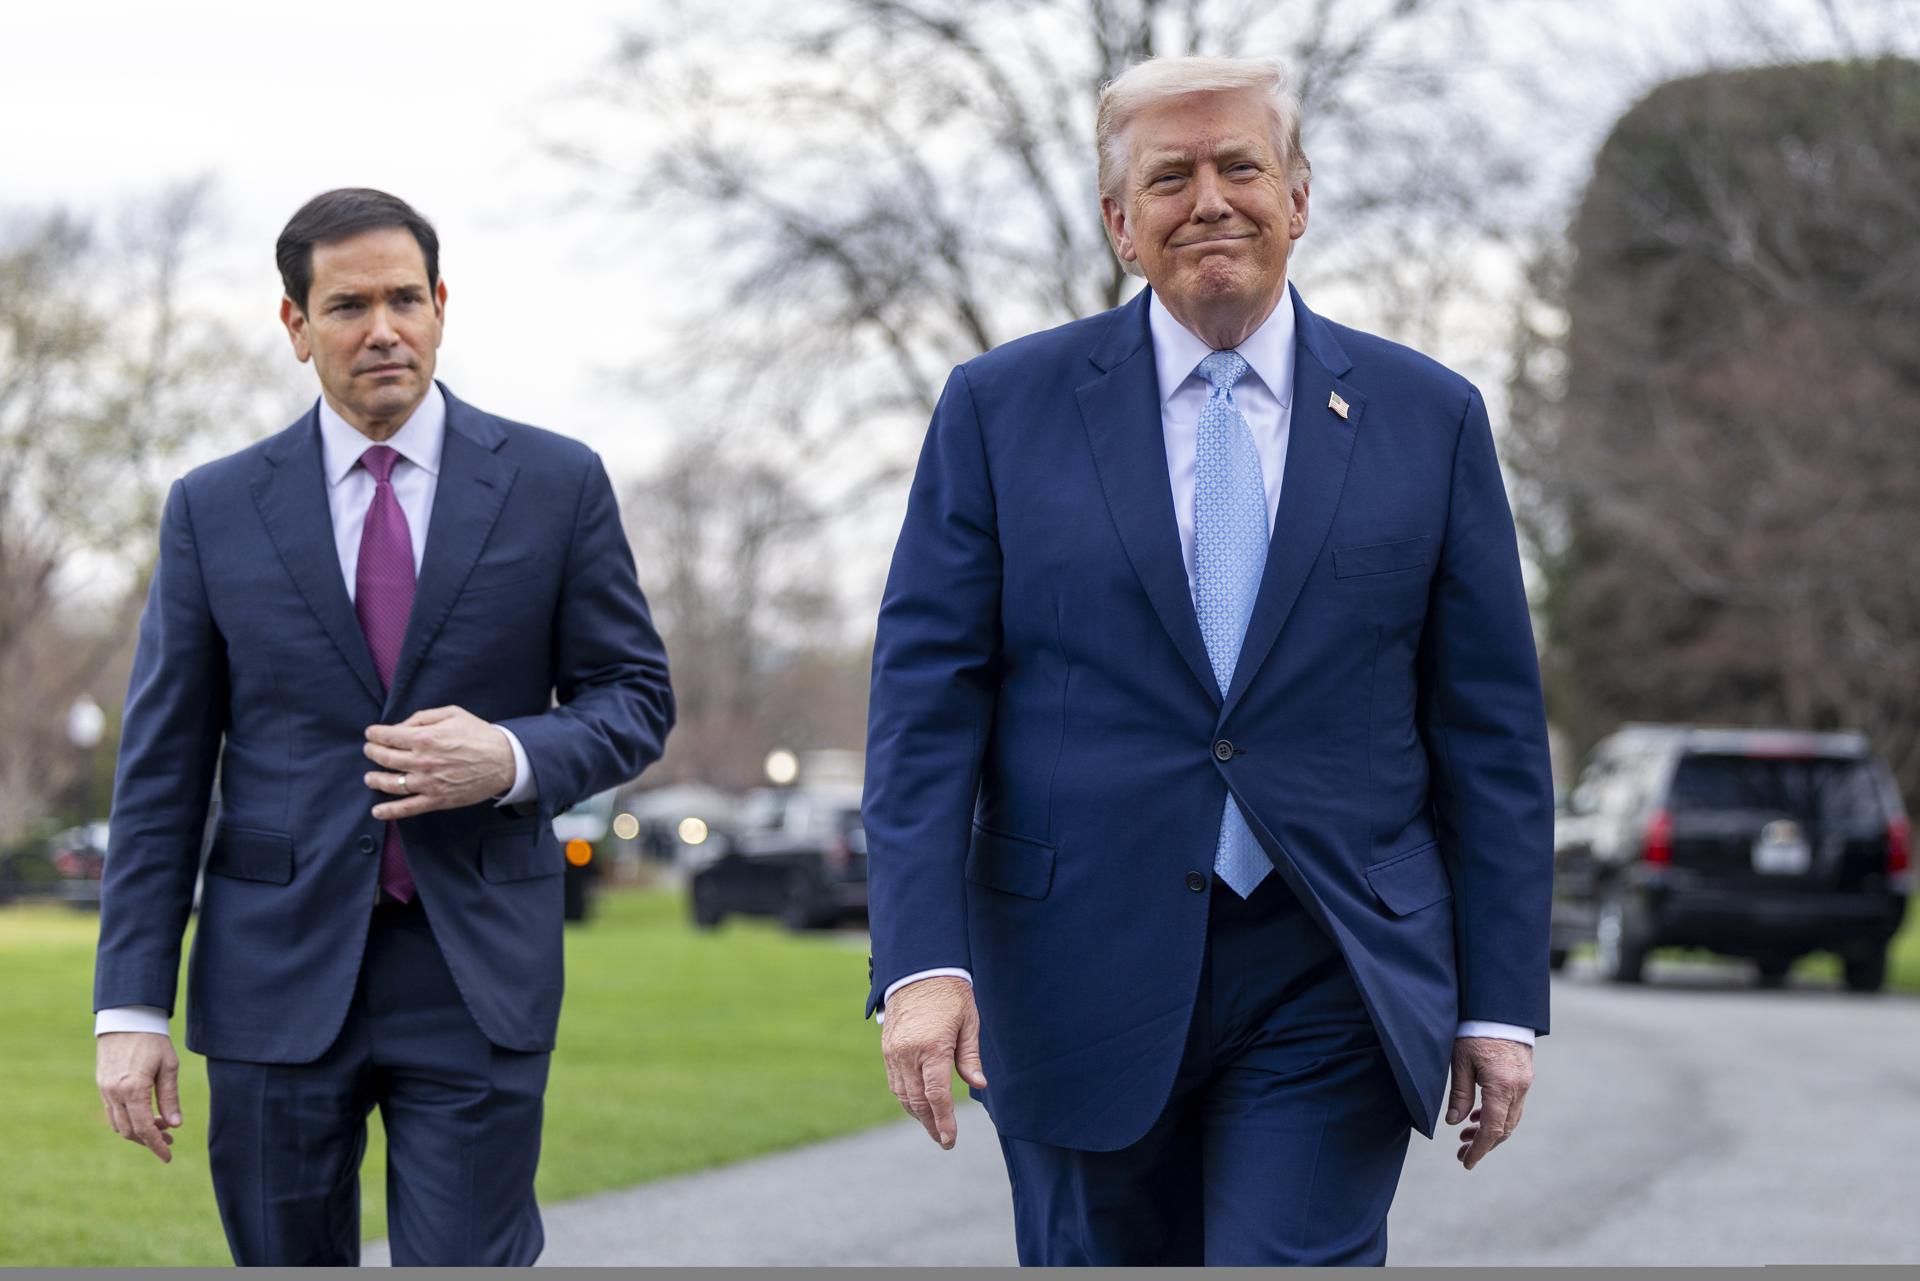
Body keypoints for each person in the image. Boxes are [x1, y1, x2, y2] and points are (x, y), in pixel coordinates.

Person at [865, 57, 1552, 1265]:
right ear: (1120, 223)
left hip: (1333, 965)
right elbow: (926, 709)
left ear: (1299, 196)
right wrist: (921, 963)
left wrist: (1500, 1003)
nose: (1211, 200)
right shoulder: (999, 408)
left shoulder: (1429, 418)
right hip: (1072, 969)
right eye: (1169, 177)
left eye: (1241, 166)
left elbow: (1488, 733)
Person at [90, 188, 674, 1266]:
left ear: (442, 304)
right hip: (272, 974)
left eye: (406, 298)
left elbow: (635, 696)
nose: (384, 329)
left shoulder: (555, 485)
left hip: (475, 969)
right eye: (349, 305)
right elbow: (162, 772)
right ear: (296, 324)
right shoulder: (213, 508)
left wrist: (510, 755)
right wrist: (130, 1006)